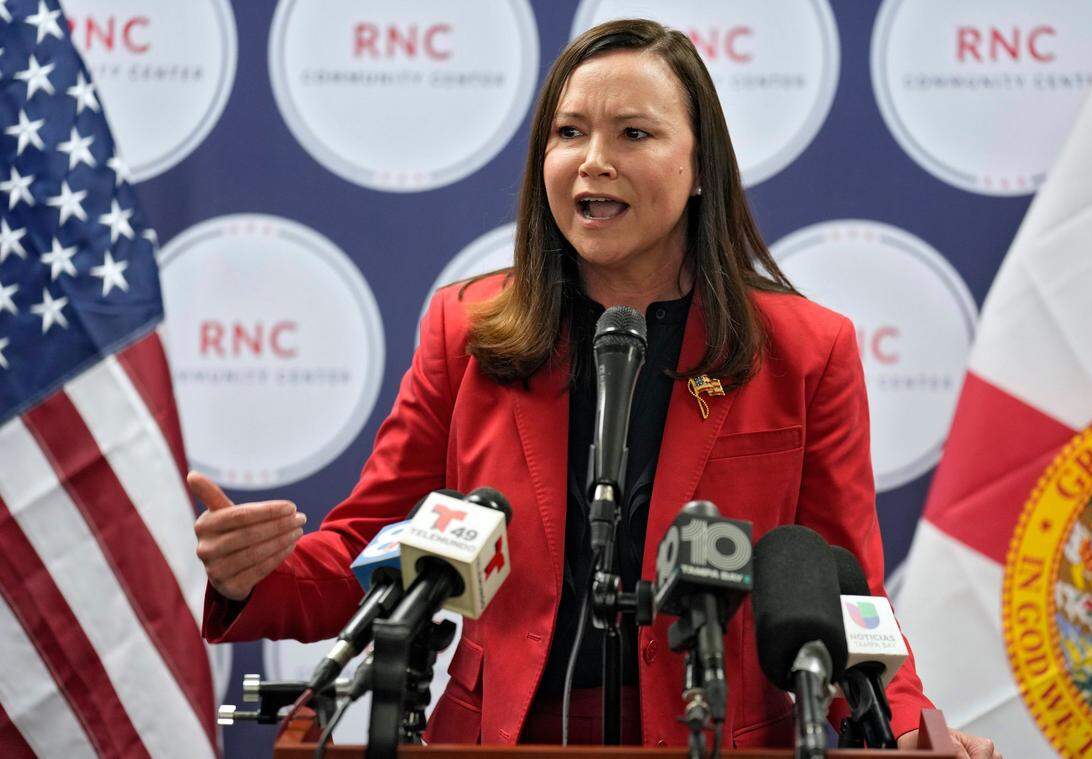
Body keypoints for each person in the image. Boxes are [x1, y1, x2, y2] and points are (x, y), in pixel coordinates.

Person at [192, 19, 999, 757]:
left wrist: (911, 729)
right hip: (499, 739)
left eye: (634, 133)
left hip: (713, 737)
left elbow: (843, 590)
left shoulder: (805, 350)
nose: (593, 160)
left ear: (697, 170)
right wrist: (252, 576)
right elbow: (368, 558)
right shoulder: (467, 332)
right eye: (568, 133)